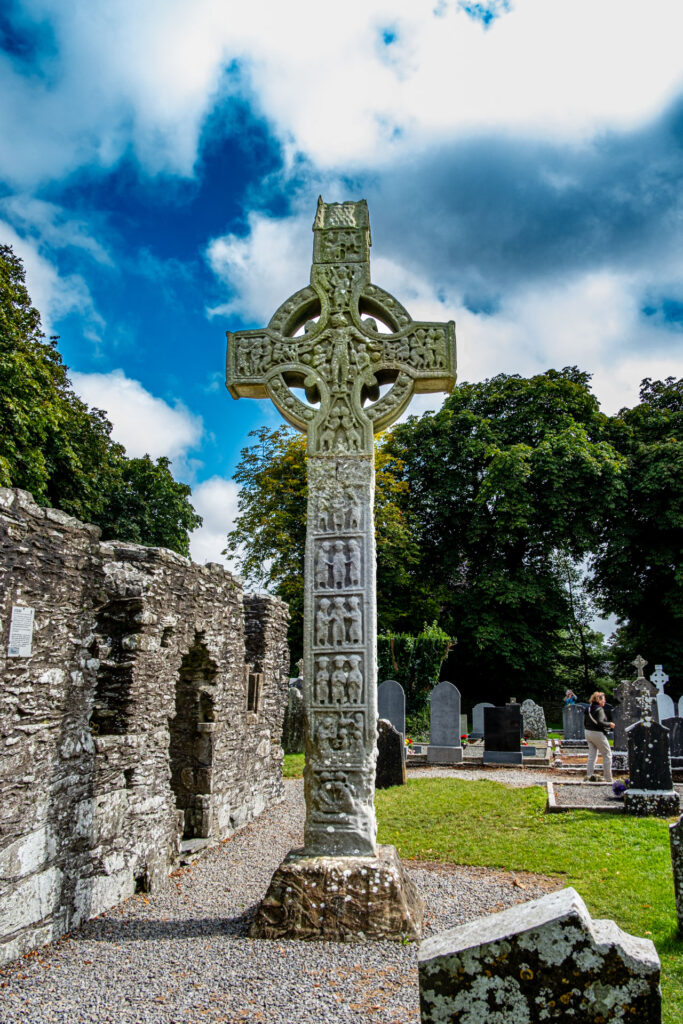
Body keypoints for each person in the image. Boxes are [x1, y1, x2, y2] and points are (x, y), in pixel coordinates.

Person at [584, 691, 615, 783]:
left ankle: (589, 776)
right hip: (597, 733)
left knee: (592, 755)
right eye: (604, 699)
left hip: (587, 732)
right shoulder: (599, 709)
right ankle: (608, 778)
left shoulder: (588, 708)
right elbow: (600, 722)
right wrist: (610, 724)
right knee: (607, 754)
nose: (605, 701)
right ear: (599, 700)